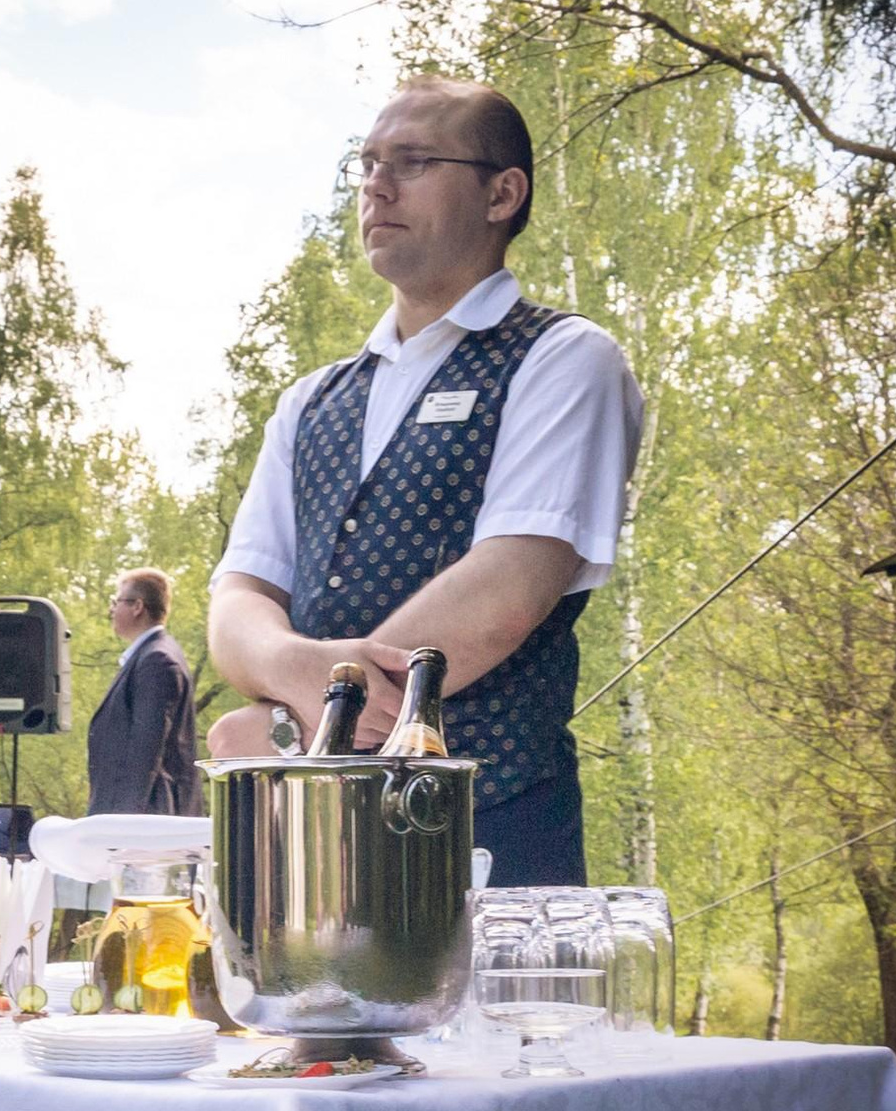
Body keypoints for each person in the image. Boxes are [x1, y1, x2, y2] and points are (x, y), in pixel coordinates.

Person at [206, 77, 642, 886]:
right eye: (367, 163)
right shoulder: (310, 402)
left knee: (499, 1021)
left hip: (490, 838)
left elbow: (507, 590)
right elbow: (237, 601)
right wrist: (296, 669)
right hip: (310, 846)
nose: (376, 184)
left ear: (501, 193)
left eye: (412, 161)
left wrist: (306, 712)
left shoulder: (565, 359)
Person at [86, 568, 202, 815]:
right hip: (144, 821)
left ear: (138, 606)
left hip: (148, 825)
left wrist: (122, 826)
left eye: (116, 602)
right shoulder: (150, 657)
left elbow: (145, 752)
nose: (112, 611)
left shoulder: (157, 661)